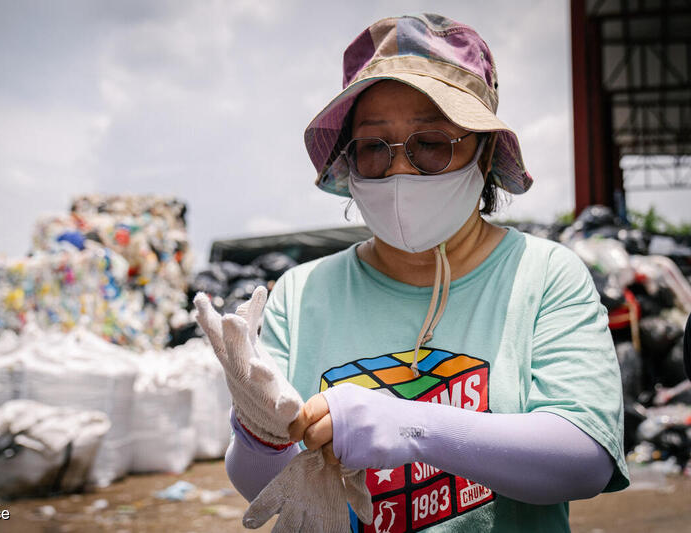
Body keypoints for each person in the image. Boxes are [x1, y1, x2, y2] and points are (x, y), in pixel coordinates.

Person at [195, 12, 629, 532]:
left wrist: (414, 426)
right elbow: (270, 485)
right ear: (349, 162)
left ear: (483, 149)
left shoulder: (544, 276)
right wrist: (259, 434)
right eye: (374, 148)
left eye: (431, 144)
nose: (400, 170)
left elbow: (585, 460)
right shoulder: (301, 292)